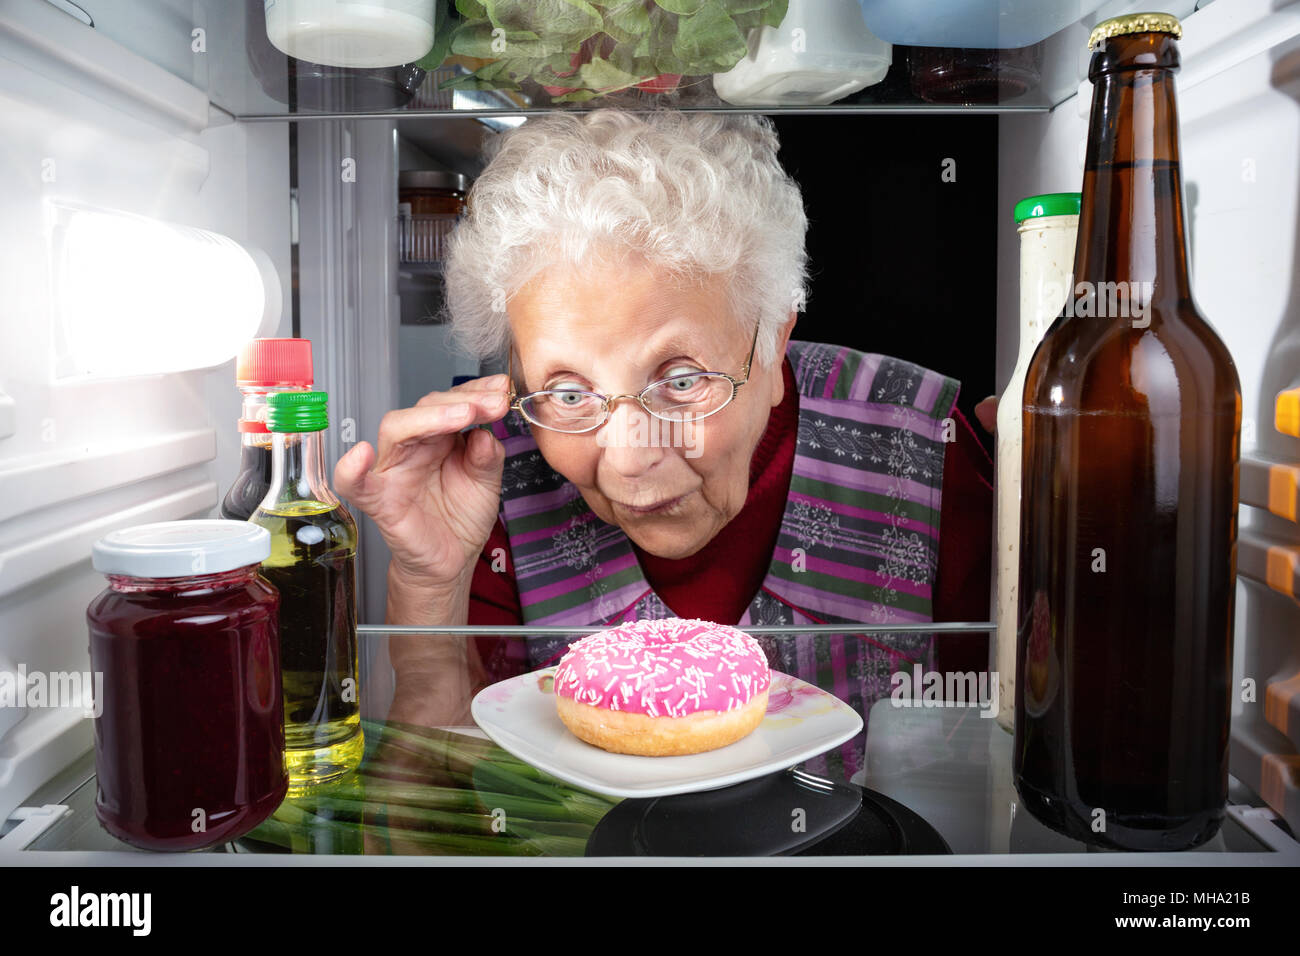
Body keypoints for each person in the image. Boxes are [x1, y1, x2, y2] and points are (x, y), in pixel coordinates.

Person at [335, 109, 993, 782]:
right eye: (567, 393)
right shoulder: (489, 477)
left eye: (680, 381)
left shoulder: (927, 447)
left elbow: (1005, 756)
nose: (627, 458)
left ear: (773, 342)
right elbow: (435, 817)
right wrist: (428, 583)